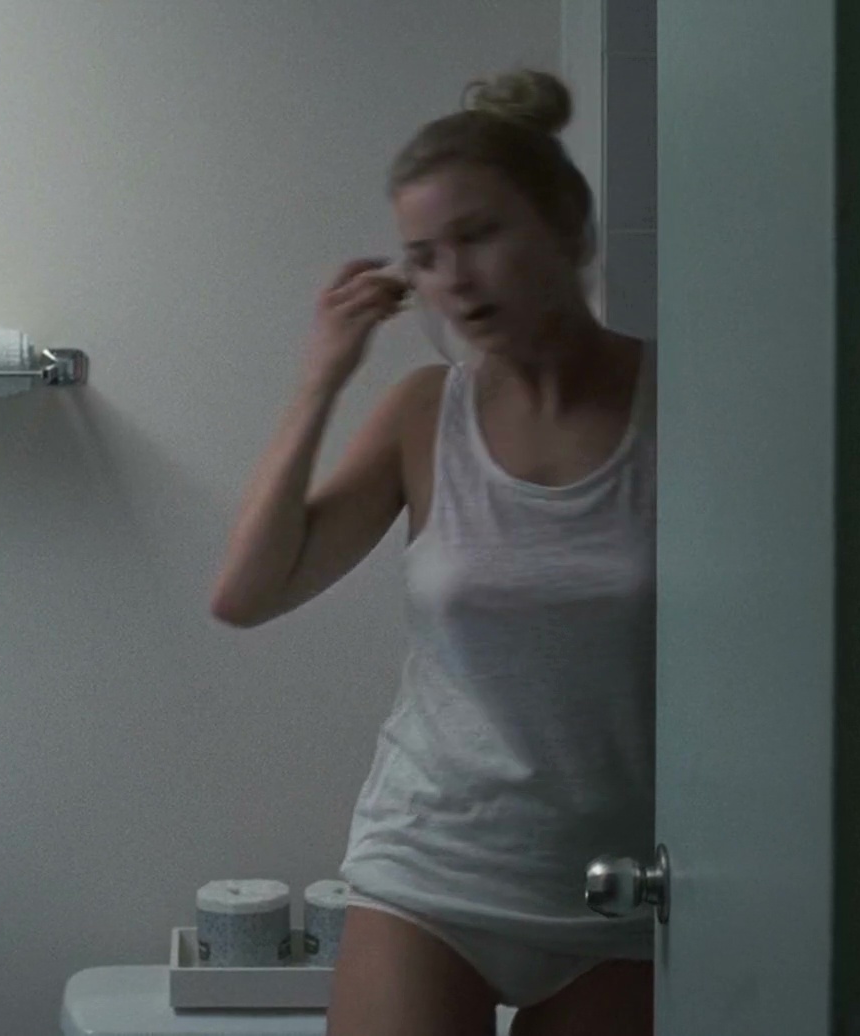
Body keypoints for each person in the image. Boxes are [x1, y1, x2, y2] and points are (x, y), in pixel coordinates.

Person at [210, 68, 655, 1036]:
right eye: (424, 255)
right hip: (432, 873)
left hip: (625, 889)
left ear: (569, 230)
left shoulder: (678, 405)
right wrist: (322, 378)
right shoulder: (425, 414)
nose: (453, 275)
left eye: (480, 234)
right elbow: (247, 593)